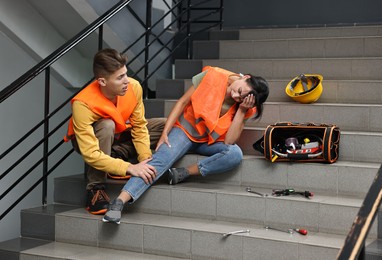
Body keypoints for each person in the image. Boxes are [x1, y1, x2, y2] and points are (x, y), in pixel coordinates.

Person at [102, 65, 270, 224]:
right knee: (160, 159)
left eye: (241, 98)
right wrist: (165, 133)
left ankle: (183, 173)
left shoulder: (247, 106)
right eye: (239, 91)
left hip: (209, 142)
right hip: (185, 132)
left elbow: (229, 141)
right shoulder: (212, 75)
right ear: (245, 77)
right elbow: (182, 102)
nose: (236, 97)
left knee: (235, 154)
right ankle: (120, 200)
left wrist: (241, 110)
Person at [64, 48, 166, 215]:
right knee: (106, 125)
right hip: (92, 142)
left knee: (164, 125)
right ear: (102, 81)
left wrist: (145, 160)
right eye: (120, 78)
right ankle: (95, 188)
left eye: (125, 73)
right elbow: (90, 154)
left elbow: (139, 126)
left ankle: (115, 156)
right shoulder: (82, 104)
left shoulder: (133, 87)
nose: (127, 81)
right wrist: (129, 167)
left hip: (119, 134)